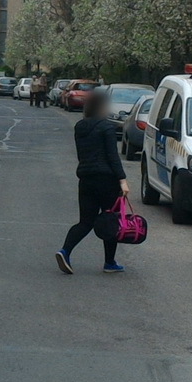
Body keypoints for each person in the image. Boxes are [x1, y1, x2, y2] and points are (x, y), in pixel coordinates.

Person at [56, 92, 130, 275]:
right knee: (110, 219)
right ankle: (110, 262)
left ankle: (65, 251)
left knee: (86, 221)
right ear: (102, 107)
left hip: (86, 179)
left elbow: (82, 154)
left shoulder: (80, 127)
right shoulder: (107, 127)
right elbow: (113, 156)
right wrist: (122, 180)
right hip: (106, 180)